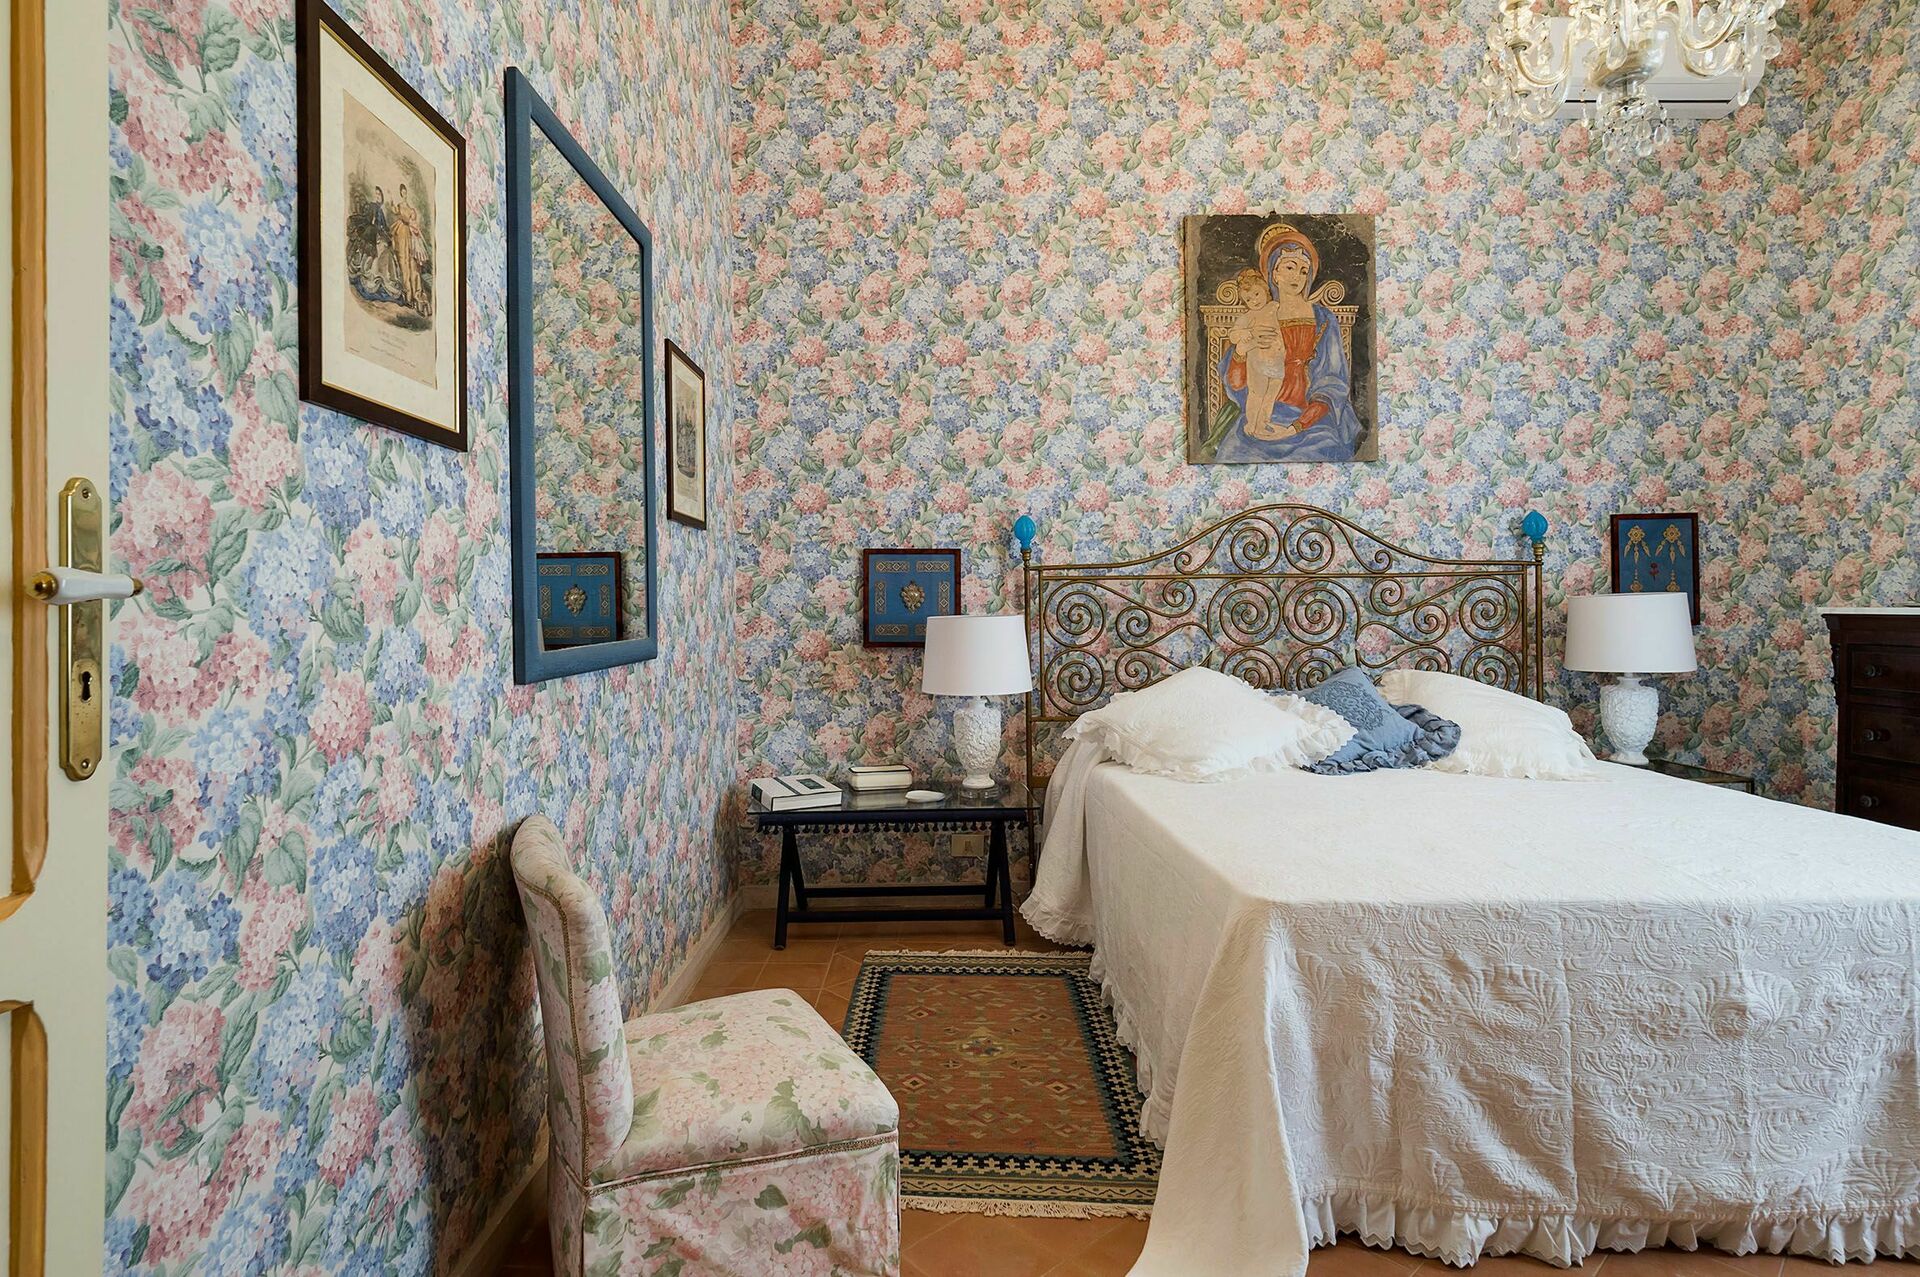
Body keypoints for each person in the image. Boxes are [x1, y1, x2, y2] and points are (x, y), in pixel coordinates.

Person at [1212, 224, 1365, 463]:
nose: (1297, 277)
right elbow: (1237, 385)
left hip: (1311, 422)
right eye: (1290, 267)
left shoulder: (1323, 318)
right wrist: (1243, 350)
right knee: (1231, 455)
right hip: (1261, 414)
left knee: (1326, 456)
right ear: (1274, 273)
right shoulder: (1259, 317)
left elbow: (1332, 383)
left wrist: (1295, 427)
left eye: (1304, 271)